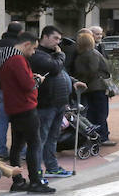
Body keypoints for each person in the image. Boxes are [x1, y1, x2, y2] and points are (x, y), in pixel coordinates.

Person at [1, 32, 55, 194]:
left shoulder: (6, 58)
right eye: (33, 49)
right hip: (25, 107)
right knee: (34, 144)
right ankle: (35, 181)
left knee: (17, 146)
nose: (33, 53)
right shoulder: (17, 59)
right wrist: (38, 80)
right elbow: (27, 85)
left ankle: (17, 181)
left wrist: (31, 77)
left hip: (14, 106)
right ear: (26, 45)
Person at [30, 26, 84, 180]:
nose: (58, 42)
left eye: (59, 39)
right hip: (46, 103)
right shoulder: (38, 55)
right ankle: (37, 172)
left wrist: (73, 81)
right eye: (55, 38)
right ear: (45, 37)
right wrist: (61, 55)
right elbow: (54, 68)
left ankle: (52, 167)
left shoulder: (53, 54)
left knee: (53, 137)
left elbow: (61, 72)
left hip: (59, 102)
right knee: (41, 138)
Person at [73, 32, 116, 146]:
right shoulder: (93, 53)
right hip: (98, 87)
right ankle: (103, 136)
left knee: (91, 113)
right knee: (101, 112)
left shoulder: (79, 55)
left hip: (88, 88)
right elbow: (94, 69)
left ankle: (94, 136)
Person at [0, 21, 24, 160]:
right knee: (19, 119)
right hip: (15, 88)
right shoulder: (18, 46)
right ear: (20, 32)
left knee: (2, 120)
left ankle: (2, 151)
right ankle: (20, 151)